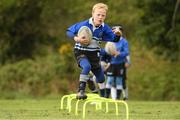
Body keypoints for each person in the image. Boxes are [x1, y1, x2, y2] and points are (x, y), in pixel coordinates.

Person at [66, 3, 121, 99]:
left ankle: (90, 80)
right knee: (86, 67)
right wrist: (77, 39)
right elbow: (69, 31)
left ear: (105, 16)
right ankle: (81, 91)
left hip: (94, 55)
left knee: (101, 79)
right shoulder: (84, 24)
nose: (100, 17)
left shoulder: (105, 28)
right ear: (93, 14)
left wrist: (118, 34)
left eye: (103, 15)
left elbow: (114, 39)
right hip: (80, 52)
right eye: (98, 14)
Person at [105, 25, 130, 100]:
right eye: (114, 31)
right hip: (111, 64)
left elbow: (126, 52)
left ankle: (118, 98)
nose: (116, 32)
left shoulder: (124, 42)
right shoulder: (110, 41)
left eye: (118, 31)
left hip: (120, 64)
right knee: (109, 80)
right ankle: (106, 97)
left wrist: (119, 53)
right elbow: (106, 52)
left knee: (119, 81)